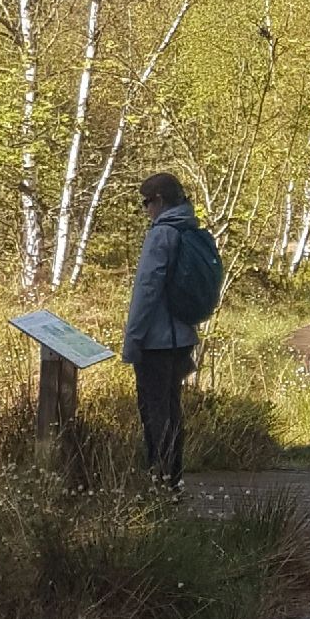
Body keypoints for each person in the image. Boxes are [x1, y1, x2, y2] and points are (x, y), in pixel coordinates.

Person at [122, 172, 206, 487]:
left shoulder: (161, 235)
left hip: (156, 342)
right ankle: (173, 478)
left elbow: (146, 291)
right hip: (182, 338)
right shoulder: (189, 228)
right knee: (171, 409)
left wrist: (132, 340)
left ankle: (161, 480)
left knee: (155, 413)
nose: (146, 210)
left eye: (146, 203)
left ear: (158, 200)